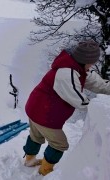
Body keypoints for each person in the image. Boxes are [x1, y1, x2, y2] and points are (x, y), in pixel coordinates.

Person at [22, 40, 110, 176]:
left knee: (36, 135)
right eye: (92, 62)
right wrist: (99, 107)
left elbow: (97, 83)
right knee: (59, 144)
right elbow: (78, 100)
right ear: (85, 60)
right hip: (44, 113)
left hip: (36, 107)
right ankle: (45, 171)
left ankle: (29, 160)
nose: (93, 65)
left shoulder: (77, 68)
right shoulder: (66, 74)